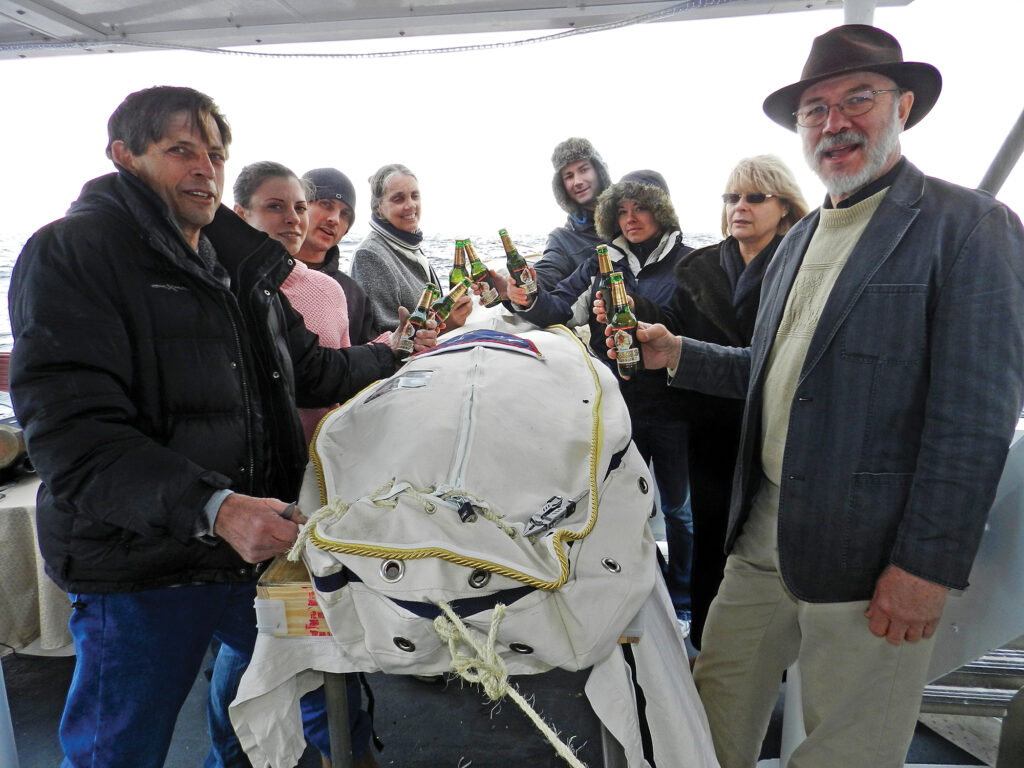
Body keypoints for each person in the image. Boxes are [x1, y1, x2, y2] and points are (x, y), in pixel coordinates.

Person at [610, 25, 1024, 767]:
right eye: (815, 109)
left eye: (856, 99)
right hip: (762, 529)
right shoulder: (798, 242)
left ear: (903, 105)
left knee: (848, 751)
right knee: (704, 722)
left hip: (875, 556)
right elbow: (776, 375)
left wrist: (925, 569)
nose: (834, 122)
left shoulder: (971, 228)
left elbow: (976, 418)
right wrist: (676, 353)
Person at [7, 86, 423, 768]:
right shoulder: (72, 254)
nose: (204, 167)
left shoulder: (236, 266)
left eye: (215, 153)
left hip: (250, 553)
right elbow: (73, 438)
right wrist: (215, 506)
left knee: (320, 685)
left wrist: (397, 353)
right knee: (118, 751)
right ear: (124, 156)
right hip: (142, 568)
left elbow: (312, 370)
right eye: (180, 151)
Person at [231, 160, 384, 765]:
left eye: (300, 207)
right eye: (277, 207)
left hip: (321, 477)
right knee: (261, 635)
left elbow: (334, 375)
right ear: (238, 215)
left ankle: (346, 746)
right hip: (252, 485)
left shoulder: (327, 290)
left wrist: (395, 352)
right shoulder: (230, 289)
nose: (295, 219)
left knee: (312, 621)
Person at [628, 156, 809, 649]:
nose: (740, 207)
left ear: (785, 206)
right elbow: (672, 328)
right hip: (709, 429)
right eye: (732, 197)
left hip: (779, 432)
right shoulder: (700, 268)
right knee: (711, 537)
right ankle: (706, 645)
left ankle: (775, 654)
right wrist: (634, 310)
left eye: (755, 197)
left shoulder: (807, 266)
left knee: (772, 545)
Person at [505, 170, 696, 625]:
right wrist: (523, 298)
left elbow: (691, 331)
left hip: (676, 410)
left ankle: (685, 599)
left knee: (679, 512)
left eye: (641, 208)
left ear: (662, 210)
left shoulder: (691, 263)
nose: (631, 219)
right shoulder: (599, 262)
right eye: (622, 211)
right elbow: (555, 307)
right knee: (619, 506)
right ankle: (632, 594)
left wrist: (627, 303)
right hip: (620, 407)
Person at [350, 163, 472, 336]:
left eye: (415, 196)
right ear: (378, 207)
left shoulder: (408, 244)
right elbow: (384, 337)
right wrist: (447, 324)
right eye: (398, 199)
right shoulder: (369, 255)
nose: (411, 205)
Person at [297, 167, 379, 345]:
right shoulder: (262, 276)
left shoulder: (354, 295)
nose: (334, 219)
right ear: (299, 207)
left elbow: (367, 360)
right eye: (326, 204)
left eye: (345, 214)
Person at [532, 137, 613, 291]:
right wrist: (522, 285)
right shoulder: (562, 239)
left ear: (599, 170)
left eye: (583, 170)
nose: (577, 181)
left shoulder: (631, 216)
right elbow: (547, 272)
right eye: (569, 176)